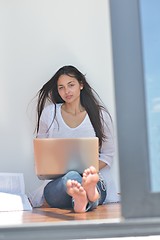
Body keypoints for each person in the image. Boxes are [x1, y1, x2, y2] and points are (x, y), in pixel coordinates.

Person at [32, 65, 120, 213]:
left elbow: (107, 156)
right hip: (60, 183)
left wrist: (87, 173)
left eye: (71, 85)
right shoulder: (49, 114)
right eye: (61, 87)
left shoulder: (99, 115)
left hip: (95, 179)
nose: (66, 91)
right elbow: (41, 154)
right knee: (71, 177)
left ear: (81, 84)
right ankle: (87, 195)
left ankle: (83, 197)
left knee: (80, 179)